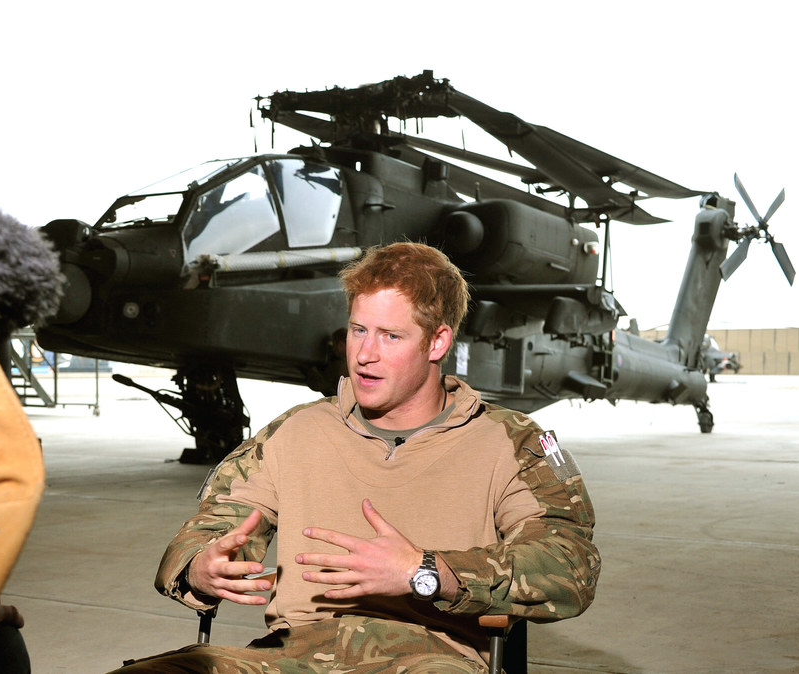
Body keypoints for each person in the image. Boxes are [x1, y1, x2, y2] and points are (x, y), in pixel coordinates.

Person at [111, 242, 600, 673]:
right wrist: (201, 567)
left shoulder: (510, 444)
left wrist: (426, 571)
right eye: (357, 330)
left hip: (428, 659)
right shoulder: (296, 432)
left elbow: (570, 563)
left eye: (390, 336)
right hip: (288, 655)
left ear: (438, 341)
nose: (364, 353)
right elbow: (212, 524)